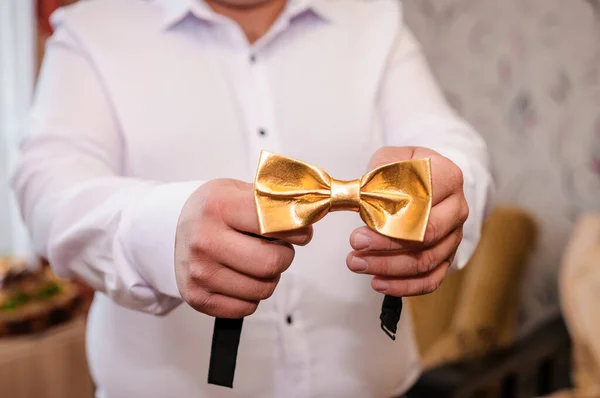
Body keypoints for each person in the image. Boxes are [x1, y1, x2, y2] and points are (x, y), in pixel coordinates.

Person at [11, 0, 493, 397]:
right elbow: (48, 186)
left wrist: (451, 189)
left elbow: (449, 141)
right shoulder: (92, 29)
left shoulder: (373, 18)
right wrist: (162, 233)